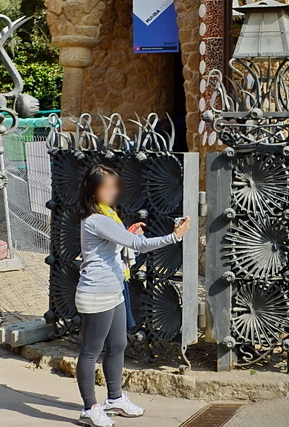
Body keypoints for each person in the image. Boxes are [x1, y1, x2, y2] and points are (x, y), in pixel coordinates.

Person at [75, 161, 191, 425]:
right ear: (93, 191)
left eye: (115, 186)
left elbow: (121, 245)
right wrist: (174, 236)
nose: (114, 192)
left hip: (114, 290)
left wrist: (125, 234)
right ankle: (89, 408)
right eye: (107, 187)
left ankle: (114, 399)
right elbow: (138, 244)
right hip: (96, 294)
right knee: (91, 351)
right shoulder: (96, 219)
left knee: (118, 345)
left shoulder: (108, 217)